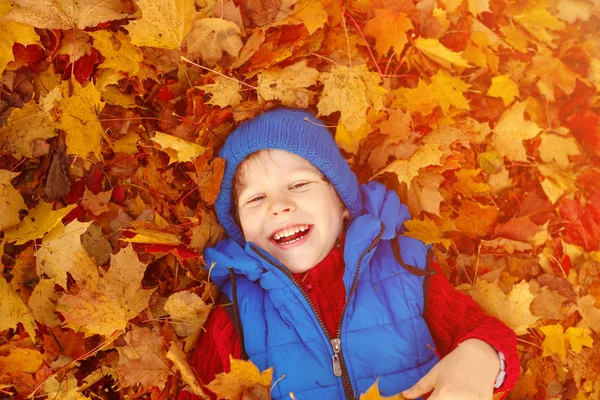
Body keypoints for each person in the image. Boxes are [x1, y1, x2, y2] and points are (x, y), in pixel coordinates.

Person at [179, 108, 519, 400]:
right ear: (241, 230)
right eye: (256, 199)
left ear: (342, 202)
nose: (280, 206)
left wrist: (478, 357)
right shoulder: (238, 310)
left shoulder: (404, 267)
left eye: (299, 185)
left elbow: (482, 329)